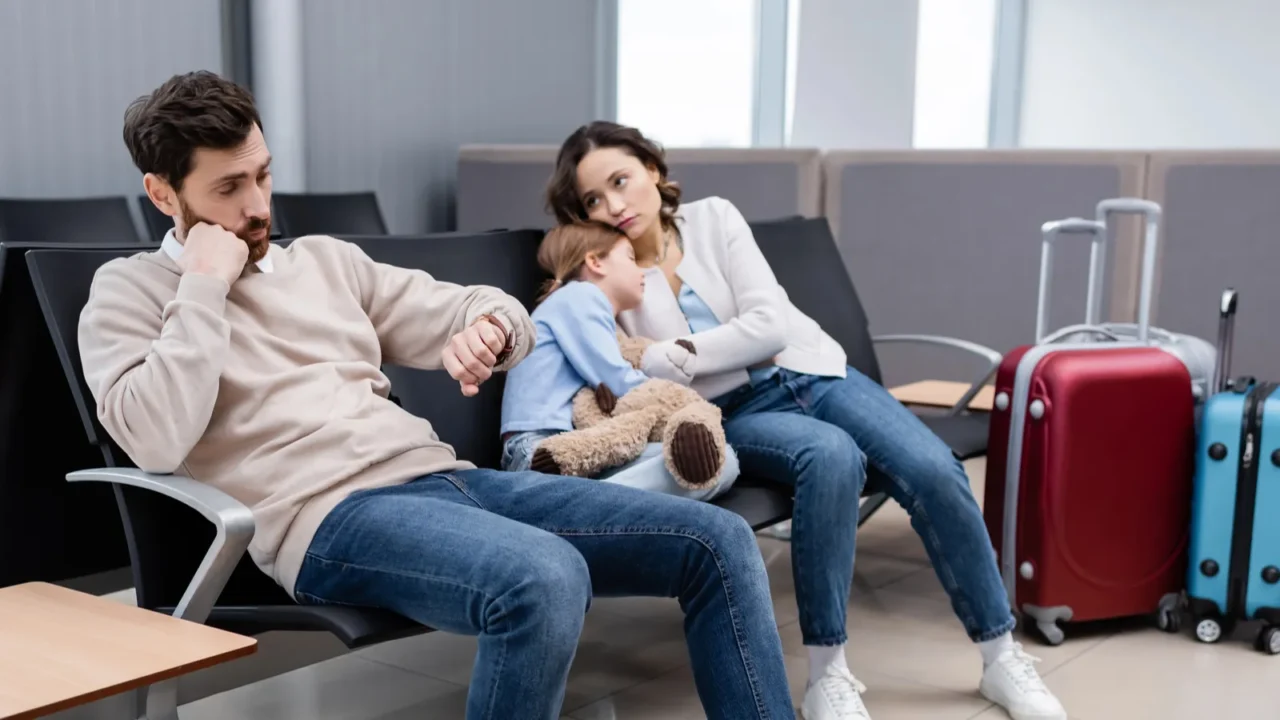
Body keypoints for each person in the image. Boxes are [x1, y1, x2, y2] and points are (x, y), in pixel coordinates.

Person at [77, 72, 797, 720]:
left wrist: (489, 329)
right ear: (163, 193)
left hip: (444, 480)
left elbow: (484, 305)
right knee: (543, 579)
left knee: (720, 539)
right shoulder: (129, 293)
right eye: (228, 189)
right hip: (325, 517)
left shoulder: (325, 264)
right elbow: (155, 436)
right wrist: (202, 285)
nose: (259, 206)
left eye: (263, 177)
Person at [546, 121, 1069, 720]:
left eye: (621, 181)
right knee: (831, 457)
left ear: (653, 172)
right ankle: (829, 675)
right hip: (732, 413)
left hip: (814, 370)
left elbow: (770, 326)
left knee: (934, 468)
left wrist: (685, 355)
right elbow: (643, 377)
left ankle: (1001, 658)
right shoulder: (604, 275)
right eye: (593, 198)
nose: (614, 205)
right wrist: (719, 351)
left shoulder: (715, 218)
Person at [500, 220, 739, 500]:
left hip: (563, 447)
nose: (642, 272)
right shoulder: (581, 295)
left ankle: (573, 503)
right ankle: (563, 504)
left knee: (710, 463)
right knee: (713, 463)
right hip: (541, 451)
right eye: (630, 257)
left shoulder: (581, 308)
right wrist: (680, 404)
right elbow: (618, 381)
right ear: (595, 262)